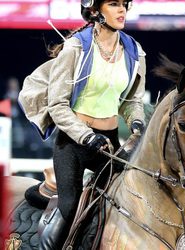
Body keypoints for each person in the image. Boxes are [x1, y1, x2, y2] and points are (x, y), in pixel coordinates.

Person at [20, 0, 146, 249]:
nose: (122, 10)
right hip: (73, 143)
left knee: (124, 204)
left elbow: (131, 100)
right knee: (70, 207)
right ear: (95, 10)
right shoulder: (76, 48)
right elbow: (57, 105)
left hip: (109, 144)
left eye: (124, 4)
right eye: (113, 4)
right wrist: (86, 136)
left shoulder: (135, 51)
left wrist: (136, 121)